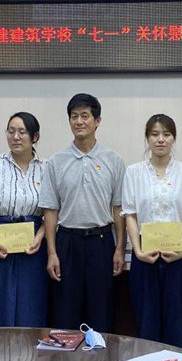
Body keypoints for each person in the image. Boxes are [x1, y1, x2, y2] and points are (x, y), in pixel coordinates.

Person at [40, 93, 126, 332]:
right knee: (66, 313)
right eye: (74, 116)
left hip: (102, 243)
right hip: (67, 243)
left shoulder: (114, 160)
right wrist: (52, 253)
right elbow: (50, 210)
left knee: (102, 312)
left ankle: (101, 356)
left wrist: (120, 248)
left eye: (85, 116)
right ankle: (68, 357)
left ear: (97, 121)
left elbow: (118, 208)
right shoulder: (56, 162)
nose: (79, 121)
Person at [122, 114, 182, 348]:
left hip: (177, 254)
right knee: (146, 324)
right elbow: (130, 214)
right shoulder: (134, 172)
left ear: (173, 138)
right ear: (147, 138)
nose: (160, 139)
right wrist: (137, 251)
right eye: (155, 134)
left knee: (177, 323)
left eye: (166, 134)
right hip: (144, 255)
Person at [0, 112, 48, 327]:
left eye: (22, 132)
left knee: (30, 309)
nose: (15, 137)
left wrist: (40, 236)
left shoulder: (47, 168)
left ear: (34, 137)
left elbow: (52, 212)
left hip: (32, 248)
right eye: (11, 131)